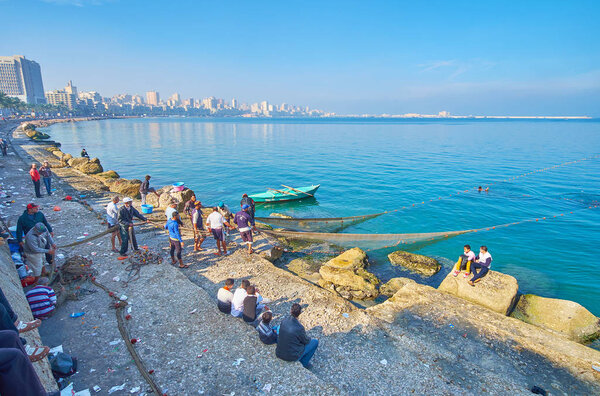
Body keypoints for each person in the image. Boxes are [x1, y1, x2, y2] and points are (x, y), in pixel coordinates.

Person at [276, 303, 319, 369]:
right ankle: (304, 363)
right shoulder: (299, 328)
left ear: (290, 310)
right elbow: (306, 341)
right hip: (292, 356)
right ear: (300, 313)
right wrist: (308, 338)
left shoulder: (284, 321)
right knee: (315, 342)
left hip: (279, 352)